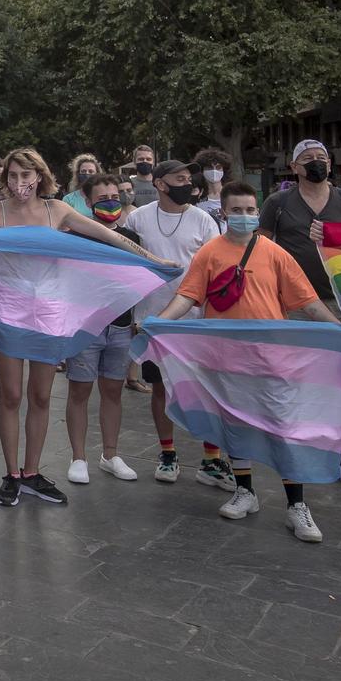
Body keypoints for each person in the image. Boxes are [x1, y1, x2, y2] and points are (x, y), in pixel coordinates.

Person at [0, 147, 161, 508]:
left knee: (40, 397)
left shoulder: (58, 210)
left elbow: (110, 237)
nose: (20, 183)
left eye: (26, 175)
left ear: (39, 176)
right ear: (5, 178)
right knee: (11, 396)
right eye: (13, 175)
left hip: (48, 314)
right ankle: (11, 474)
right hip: (8, 313)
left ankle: (32, 472)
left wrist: (155, 260)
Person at [148, 181, 341, 541]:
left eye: (250, 210)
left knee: (282, 427)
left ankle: (296, 505)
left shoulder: (275, 253)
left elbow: (309, 302)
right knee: (235, 425)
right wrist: (159, 321)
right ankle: (245, 492)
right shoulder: (208, 253)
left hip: (271, 358)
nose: (244, 216)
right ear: (223, 213)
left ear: (257, 213)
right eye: (236, 210)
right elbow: (187, 297)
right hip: (224, 358)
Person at [257, 140, 341, 487]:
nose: (316, 163)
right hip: (293, 305)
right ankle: (297, 445)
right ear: (294, 168)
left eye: (322, 158)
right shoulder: (278, 203)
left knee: (340, 381)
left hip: (340, 304)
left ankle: (336, 448)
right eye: (308, 159)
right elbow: (261, 246)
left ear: (331, 165)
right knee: (294, 377)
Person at [121, 161, 226, 487]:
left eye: (188, 178)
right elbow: (127, 263)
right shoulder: (138, 217)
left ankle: (211, 460)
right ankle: (167, 454)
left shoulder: (203, 220)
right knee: (161, 388)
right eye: (179, 178)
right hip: (152, 320)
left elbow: (215, 268)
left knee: (205, 391)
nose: (187, 183)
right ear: (160, 184)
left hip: (196, 320)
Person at [64, 173, 142, 484]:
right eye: (103, 198)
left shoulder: (132, 239)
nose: (111, 202)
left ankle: (110, 454)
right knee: (79, 391)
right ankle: (78, 457)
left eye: (116, 196)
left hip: (121, 326)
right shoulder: (75, 238)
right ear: (87, 202)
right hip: (86, 327)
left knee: (113, 391)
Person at [191, 149, 233, 226]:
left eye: (218, 167)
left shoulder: (232, 195)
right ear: (202, 170)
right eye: (209, 168)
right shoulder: (195, 196)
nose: (214, 171)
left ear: (224, 170)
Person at [127, 144, 157, 208]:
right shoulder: (128, 185)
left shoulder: (160, 183)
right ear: (134, 163)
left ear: (153, 163)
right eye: (141, 159)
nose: (145, 162)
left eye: (148, 159)